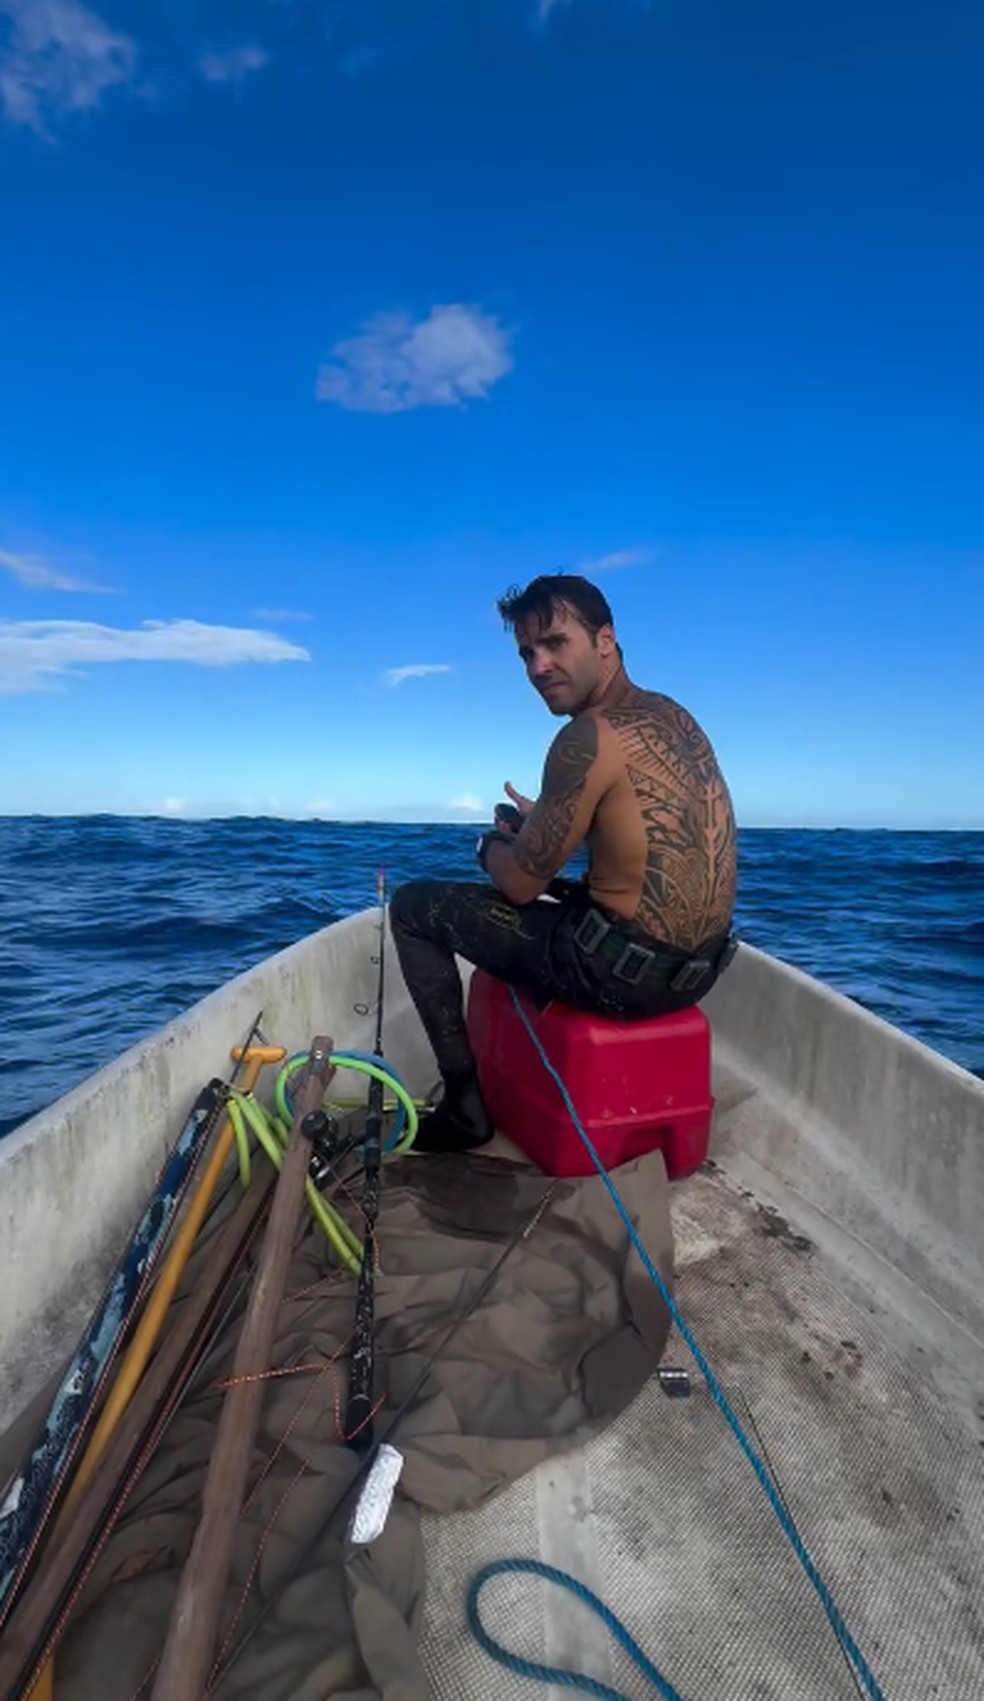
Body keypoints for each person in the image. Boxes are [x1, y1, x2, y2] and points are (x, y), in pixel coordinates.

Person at [389, 573, 738, 1153]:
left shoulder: (585, 735)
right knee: (567, 891)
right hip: (699, 975)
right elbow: (642, 837)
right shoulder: (675, 718)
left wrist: (491, 849)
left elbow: (523, 885)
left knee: (413, 907)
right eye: (527, 653)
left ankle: (464, 1108)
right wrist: (541, 826)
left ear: (605, 639)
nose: (537, 666)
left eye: (555, 643)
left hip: (618, 978)